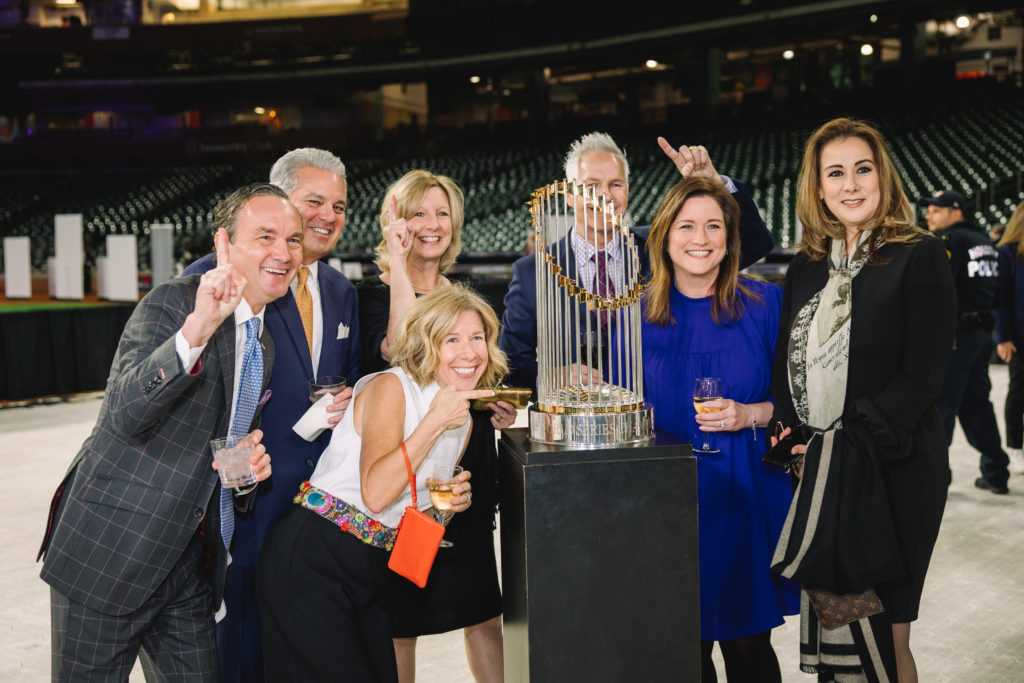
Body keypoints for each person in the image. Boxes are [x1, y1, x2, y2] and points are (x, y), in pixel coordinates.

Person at [38, 183, 298, 681]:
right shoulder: (174, 304)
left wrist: (245, 471)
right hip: (109, 553)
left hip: (187, 566)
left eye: (292, 240)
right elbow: (125, 412)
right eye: (265, 236)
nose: (282, 253)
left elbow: (217, 452)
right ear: (225, 244)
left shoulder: (262, 343)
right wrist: (197, 330)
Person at [771, 118, 956, 682]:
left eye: (862, 169)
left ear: (882, 176)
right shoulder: (805, 265)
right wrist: (798, 446)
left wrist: (846, 449)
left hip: (893, 471)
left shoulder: (917, 253)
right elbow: (787, 362)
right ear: (818, 187)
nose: (851, 184)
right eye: (836, 173)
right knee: (839, 625)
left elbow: (924, 377)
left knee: (887, 633)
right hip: (822, 473)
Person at [257, 285, 506, 683]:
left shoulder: (463, 420)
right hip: (316, 558)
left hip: (374, 568)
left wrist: (442, 510)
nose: (469, 353)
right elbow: (375, 494)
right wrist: (433, 422)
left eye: (478, 338)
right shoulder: (393, 387)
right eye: (452, 339)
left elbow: (403, 510)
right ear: (426, 344)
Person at [183, 148, 362, 682]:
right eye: (314, 201)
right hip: (243, 514)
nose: (328, 216)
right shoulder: (210, 282)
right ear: (279, 202)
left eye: (339, 205)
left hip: (314, 519)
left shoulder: (340, 290)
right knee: (236, 653)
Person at [357, 169, 515, 683]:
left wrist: (495, 405)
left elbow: (474, 377)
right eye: (417, 212)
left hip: (467, 478)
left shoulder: (466, 294)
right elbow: (401, 351)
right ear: (394, 221)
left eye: (442, 212)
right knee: (401, 623)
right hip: (407, 478)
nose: (431, 224)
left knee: (484, 612)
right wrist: (398, 261)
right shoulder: (372, 297)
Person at [641, 176, 799, 682]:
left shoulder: (766, 303)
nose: (701, 238)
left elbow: (801, 403)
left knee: (749, 647)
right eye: (686, 226)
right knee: (683, 653)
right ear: (664, 236)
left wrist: (750, 414)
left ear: (731, 239)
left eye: (714, 226)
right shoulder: (632, 314)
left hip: (745, 493)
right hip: (664, 504)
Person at [500, 131, 775, 390]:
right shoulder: (532, 273)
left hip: (658, 423)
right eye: (591, 186)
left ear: (627, 191)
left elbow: (754, 244)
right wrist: (550, 376)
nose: (605, 195)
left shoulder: (659, 246)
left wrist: (715, 185)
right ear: (570, 196)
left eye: (615, 184)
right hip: (573, 431)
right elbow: (508, 364)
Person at [920, 189, 1011, 494]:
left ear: (956, 211)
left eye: (935, 210)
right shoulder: (986, 242)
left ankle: (934, 478)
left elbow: (937, 292)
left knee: (941, 406)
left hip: (955, 336)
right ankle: (996, 471)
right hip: (982, 333)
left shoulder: (948, 242)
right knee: (976, 405)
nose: (928, 215)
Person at [994, 201, 1024, 475]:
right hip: (1019, 336)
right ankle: (1015, 448)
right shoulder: (1007, 253)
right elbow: (999, 298)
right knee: (1018, 392)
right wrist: (1002, 337)